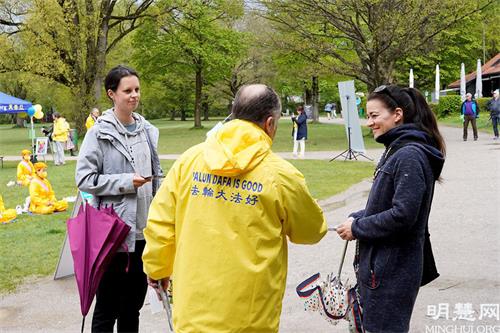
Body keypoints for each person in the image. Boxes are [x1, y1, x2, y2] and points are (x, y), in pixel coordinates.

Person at [142, 84, 327, 333]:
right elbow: (311, 231)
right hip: (251, 316)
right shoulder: (281, 175)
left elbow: (161, 223)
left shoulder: (189, 160)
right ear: (270, 123)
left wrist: (157, 268)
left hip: (193, 310)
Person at [336, 85, 445, 333]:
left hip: (392, 271)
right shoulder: (396, 149)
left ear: (397, 114)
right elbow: (388, 205)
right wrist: (357, 217)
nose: (369, 123)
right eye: (368, 116)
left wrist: (358, 227)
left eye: (375, 116)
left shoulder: (409, 155)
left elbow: (403, 216)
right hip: (381, 267)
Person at [76, 65, 161, 333]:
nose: (134, 95)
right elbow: (85, 179)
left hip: (143, 235)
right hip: (113, 236)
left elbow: (156, 176)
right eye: (127, 91)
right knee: (106, 310)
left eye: (137, 89)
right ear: (112, 94)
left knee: (132, 309)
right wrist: (126, 183)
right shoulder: (98, 133)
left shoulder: (147, 130)